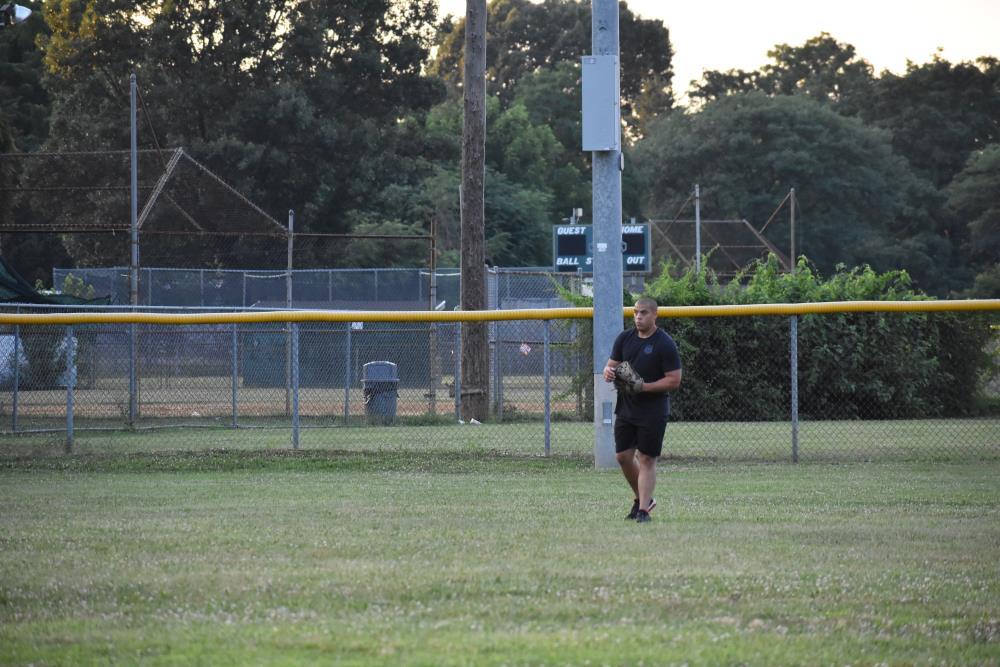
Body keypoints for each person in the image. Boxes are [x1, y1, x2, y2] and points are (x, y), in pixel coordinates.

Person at [602, 296, 682, 523]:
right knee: (622, 456)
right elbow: (612, 366)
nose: (638, 317)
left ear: (655, 315)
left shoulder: (664, 343)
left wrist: (644, 387)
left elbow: (674, 381)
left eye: (644, 312)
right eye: (636, 312)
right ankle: (643, 499)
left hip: (653, 409)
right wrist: (608, 372)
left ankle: (644, 511)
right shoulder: (624, 338)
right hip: (626, 406)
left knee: (646, 458)